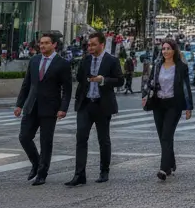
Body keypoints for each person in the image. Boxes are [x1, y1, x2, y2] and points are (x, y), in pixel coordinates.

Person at [14, 33, 73, 186]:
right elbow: (26, 84)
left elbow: (67, 89)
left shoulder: (63, 64)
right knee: (24, 137)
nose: (42, 46)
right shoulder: (34, 60)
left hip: (50, 107)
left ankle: (42, 173)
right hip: (31, 105)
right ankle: (36, 162)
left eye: (46, 43)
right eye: (41, 43)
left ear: (54, 45)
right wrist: (19, 105)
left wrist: (63, 108)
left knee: (46, 141)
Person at [65, 31, 122, 186]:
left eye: (93, 45)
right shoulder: (85, 60)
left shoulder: (112, 60)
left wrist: (103, 80)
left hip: (102, 105)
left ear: (101, 45)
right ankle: (79, 174)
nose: (90, 47)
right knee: (81, 138)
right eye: (89, 45)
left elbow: (120, 80)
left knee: (103, 140)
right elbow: (80, 78)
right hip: (85, 104)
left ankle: (104, 171)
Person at [143, 38, 193, 181]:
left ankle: (164, 169)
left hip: (174, 105)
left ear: (174, 50)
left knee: (166, 135)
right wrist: (145, 95)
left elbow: (185, 87)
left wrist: (188, 107)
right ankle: (171, 162)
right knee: (162, 137)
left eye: (168, 48)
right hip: (158, 104)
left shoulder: (181, 67)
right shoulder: (157, 65)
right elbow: (150, 82)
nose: (165, 51)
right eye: (163, 49)